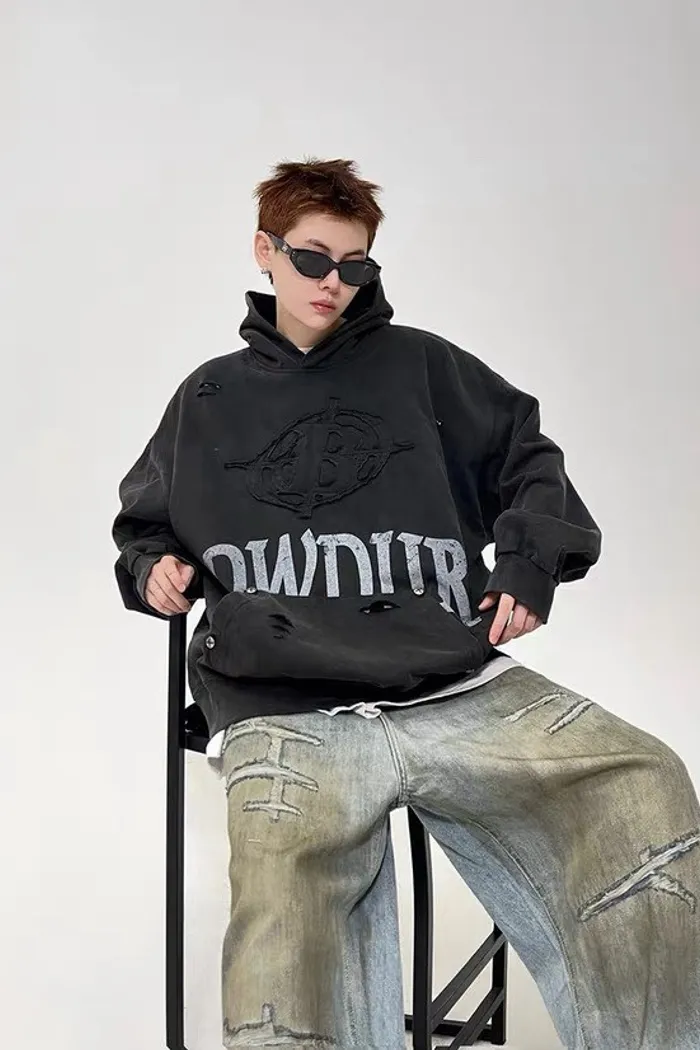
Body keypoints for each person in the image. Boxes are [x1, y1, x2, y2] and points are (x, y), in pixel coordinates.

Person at [112, 157, 700, 1050]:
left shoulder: (425, 367)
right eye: (312, 259)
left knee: (640, 778)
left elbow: (528, 455)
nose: (332, 283)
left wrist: (527, 562)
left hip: (446, 677)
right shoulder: (208, 396)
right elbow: (145, 520)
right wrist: (151, 565)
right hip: (281, 696)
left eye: (354, 265)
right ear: (265, 251)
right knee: (284, 885)